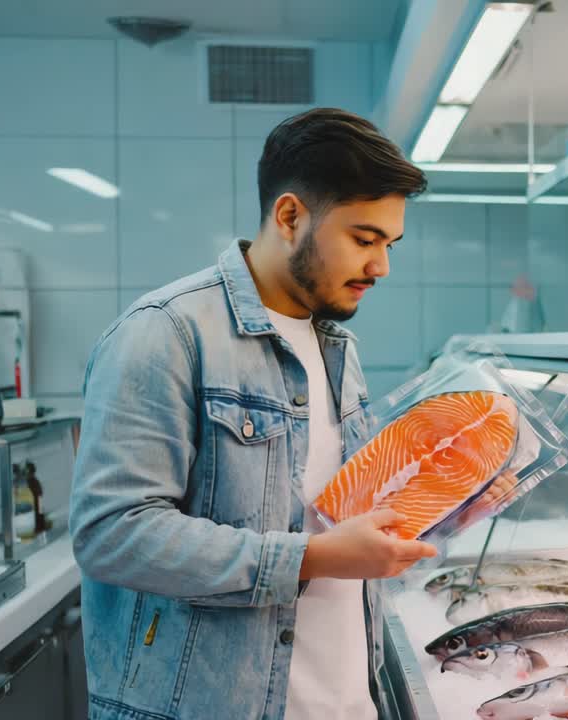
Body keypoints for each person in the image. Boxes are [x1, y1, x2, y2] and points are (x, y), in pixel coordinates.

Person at [69, 108, 437, 720]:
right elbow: (112, 533)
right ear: (290, 216)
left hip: (344, 701)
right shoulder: (165, 334)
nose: (381, 268)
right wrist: (310, 559)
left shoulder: (338, 346)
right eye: (365, 239)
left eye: (389, 244)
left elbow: (336, 511)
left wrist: (453, 500)